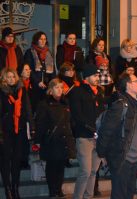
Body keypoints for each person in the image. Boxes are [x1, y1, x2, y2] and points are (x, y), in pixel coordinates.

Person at [96, 73, 137, 199]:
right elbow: (106, 131)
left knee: (129, 194)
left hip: (134, 158)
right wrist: (101, 153)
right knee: (120, 194)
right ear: (128, 85)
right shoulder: (121, 105)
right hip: (122, 158)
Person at [69, 63, 105, 199]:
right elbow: (77, 115)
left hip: (98, 137)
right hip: (84, 137)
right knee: (85, 171)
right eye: (95, 75)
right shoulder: (77, 92)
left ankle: (88, 196)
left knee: (93, 171)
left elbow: (102, 113)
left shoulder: (99, 92)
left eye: (98, 75)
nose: (98, 78)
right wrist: (92, 128)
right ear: (87, 77)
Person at [35, 78, 76, 198]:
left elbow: (69, 122)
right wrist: (38, 140)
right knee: (52, 166)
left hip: (64, 139)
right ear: (50, 90)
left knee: (61, 165)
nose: (60, 90)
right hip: (51, 140)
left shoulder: (65, 103)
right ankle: (53, 189)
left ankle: (58, 188)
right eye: (56, 87)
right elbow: (40, 124)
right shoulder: (44, 104)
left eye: (61, 87)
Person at [0, 68, 35, 199]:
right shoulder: (2, 92)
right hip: (5, 131)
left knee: (16, 161)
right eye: (8, 77)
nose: (11, 79)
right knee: (5, 161)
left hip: (19, 130)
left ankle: (15, 187)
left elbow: (27, 109)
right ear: (4, 79)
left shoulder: (22, 90)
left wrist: (32, 127)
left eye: (13, 77)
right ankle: (7, 189)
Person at [24, 31, 55, 113]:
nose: (43, 41)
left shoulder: (48, 52)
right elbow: (29, 69)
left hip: (47, 86)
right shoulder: (30, 52)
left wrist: (53, 84)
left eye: (44, 39)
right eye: (41, 39)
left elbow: (53, 70)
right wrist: (37, 82)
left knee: (46, 109)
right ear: (36, 40)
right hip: (34, 86)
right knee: (35, 108)